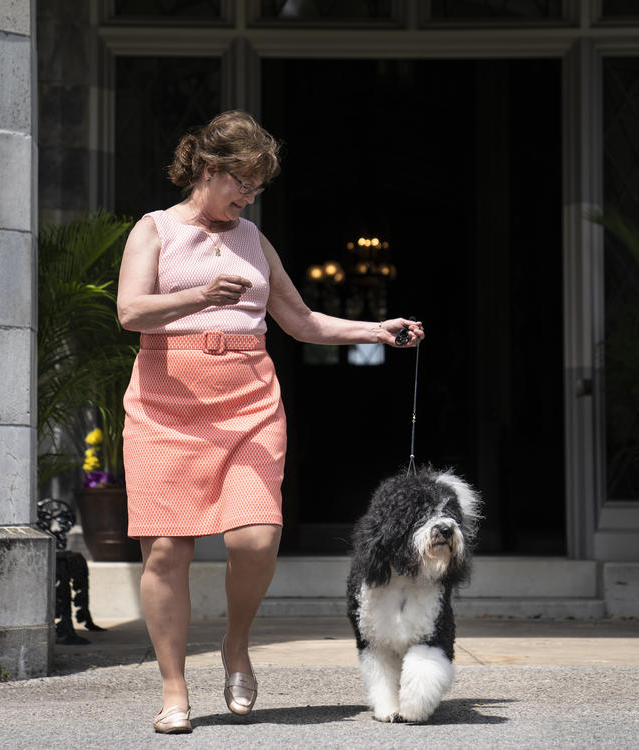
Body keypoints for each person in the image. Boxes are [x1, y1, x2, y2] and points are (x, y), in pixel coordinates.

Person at [116, 110, 424, 734]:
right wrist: (197, 297)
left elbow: (302, 320)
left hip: (249, 399)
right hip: (165, 400)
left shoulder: (255, 241)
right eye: (243, 184)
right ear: (210, 169)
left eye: (257, 187)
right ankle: (174, 690)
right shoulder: (153, 230)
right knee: (167, 551)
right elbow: (130, 311)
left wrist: (376, 329)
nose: (249, 197)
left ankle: (235, 646)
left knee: (256, 537)